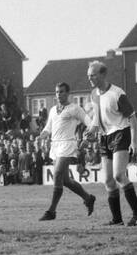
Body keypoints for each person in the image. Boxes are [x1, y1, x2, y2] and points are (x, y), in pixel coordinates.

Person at [84, 60, 137, 226]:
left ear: (103, 74)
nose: (90, 78)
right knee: (108, 181)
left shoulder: (117, 93)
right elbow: (97, 121)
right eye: (88, 75)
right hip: (104, 138)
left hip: (120, 133)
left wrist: (134, 142)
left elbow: (132, 118)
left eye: (93, 75)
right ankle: (117, 219)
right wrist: (90, 132)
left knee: (119, 175)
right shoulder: (94, 94)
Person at [38, 83, 95, 221]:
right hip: (55, 146)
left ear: (68, 93)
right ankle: (88, 198)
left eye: (61, 92)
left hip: (67, 144)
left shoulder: (75, 109)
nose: (58, 94)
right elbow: (48, 128)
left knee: (57, 174)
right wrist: (41, 136)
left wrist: (87, 137)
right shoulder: (52, 110)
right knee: (65, 181)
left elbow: (90, 122)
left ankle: (51, 211)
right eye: (57, 92)